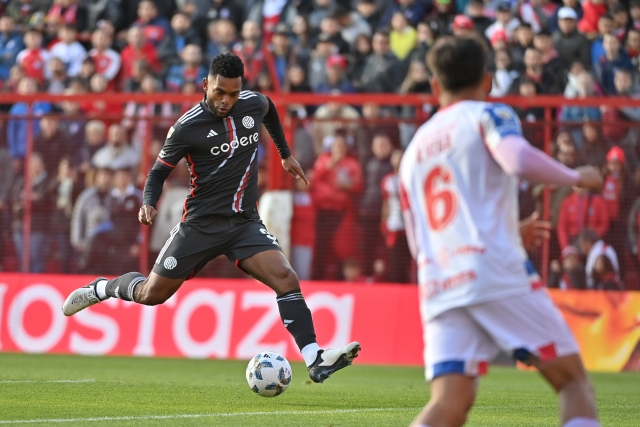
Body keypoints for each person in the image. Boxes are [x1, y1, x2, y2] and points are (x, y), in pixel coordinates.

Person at [62, 52, 360, 383]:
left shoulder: (251, 104)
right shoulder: (187, 127)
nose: (227, 101)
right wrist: (149, 202)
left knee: (286, 279)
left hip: (244, 223)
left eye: (233, 93)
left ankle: (314, 357)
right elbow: (158, 173)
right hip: (200, 226)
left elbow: (271, 110)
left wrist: (285, 154)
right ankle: (102, 288)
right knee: (152, 294)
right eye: (220, 92)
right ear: (206, 85)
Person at [399, 35, 603, 427]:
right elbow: (518, 160)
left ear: (435, 86)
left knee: (450, 402)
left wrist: (506, 230)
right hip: (493, 270)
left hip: (440, 282)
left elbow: (418, 236)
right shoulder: (487, 114)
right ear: (488, 81)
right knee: (574, 383)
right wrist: (577, 177)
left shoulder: (413, 151)